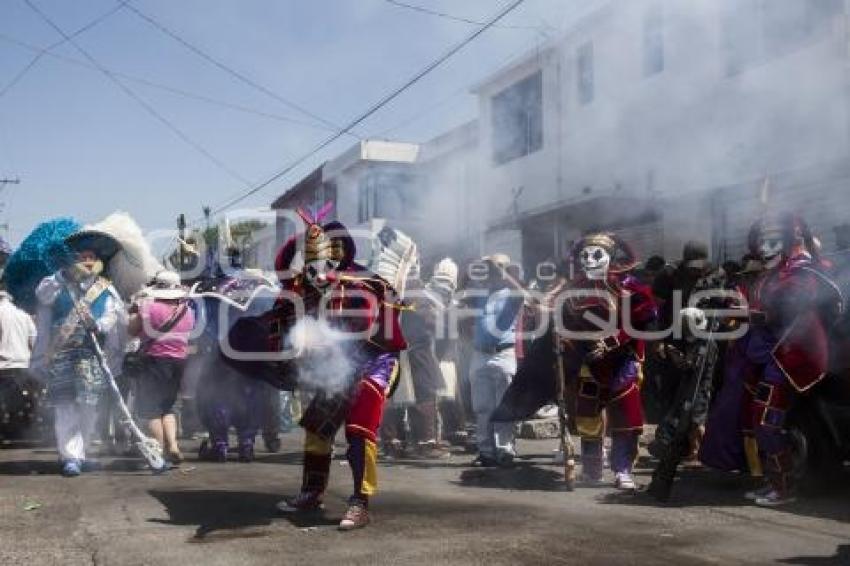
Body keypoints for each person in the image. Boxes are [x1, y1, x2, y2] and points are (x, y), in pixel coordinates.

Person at [273, 208, 407, 531]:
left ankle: (361, 502)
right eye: (318, 253)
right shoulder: (308, 282)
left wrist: (331, 286)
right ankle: (311, 492)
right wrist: (302, 238)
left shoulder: (368, 281)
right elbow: (280, 266)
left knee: (359, 431)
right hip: (338, 369)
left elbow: (365, 323)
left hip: (376, 363)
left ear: (345, 250)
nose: (325, 261)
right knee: (318, 430)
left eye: (333, 250)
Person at [737, 213, 842, 506]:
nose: (765, 249)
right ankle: (775, 482)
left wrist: (744, 311)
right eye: (762, 243)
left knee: (767, 421)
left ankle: (783, 488)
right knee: (763, 421)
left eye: (773, 242)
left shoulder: (804, 272)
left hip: (791, 357)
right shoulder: (772, 274)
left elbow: (790, 307)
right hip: (768, 356)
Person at [562, 233, 657, 489]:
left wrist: (611, 343)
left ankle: (623, 470)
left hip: (622, 361)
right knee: (588, 417)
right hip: (589, 361)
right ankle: (592, 472)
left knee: (625, 418)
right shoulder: (573, 289)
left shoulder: (628, 285)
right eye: (584, 255)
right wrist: (569, 344)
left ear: (610, 257)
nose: (589, 260)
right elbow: (567, 325)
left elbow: (642, 321)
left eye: (596, 255)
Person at [31, 229, 126, 477]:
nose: (87, 261)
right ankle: (70, 456)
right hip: (61, 355)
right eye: (82, 257)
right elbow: (42, 296)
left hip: (89, 354)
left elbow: (113, 315)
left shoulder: (104, 288)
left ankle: (81, 453)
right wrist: (63, 275)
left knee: (89, 406)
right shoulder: (55, 282)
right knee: (65, 406)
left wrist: (97, 325)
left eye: (91, 256)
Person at [128, 270, 194, 466]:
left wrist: (134, 311)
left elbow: (131, 330)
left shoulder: (148, 307)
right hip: (179, 361)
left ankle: (160, 449)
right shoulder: (187, 310)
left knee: (151, 409)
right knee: (169, 406)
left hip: (154, 360)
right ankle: (173, 445)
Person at [465, 253, 523, 468]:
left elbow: (522, 292)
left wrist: (502, 270)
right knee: (482, 408)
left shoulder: (512, 293)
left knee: (504, 406)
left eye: (497, 268)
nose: (492, 271)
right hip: (480, 354)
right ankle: (485, 452)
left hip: (503, 354)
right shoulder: (479, 293)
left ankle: (505, 450)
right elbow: (461, 287)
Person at [0, 289, 39, 439]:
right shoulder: (24, 316)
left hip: (2, 367)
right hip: (22, 366)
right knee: (24, 400)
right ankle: (22, 430)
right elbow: (35, 342)